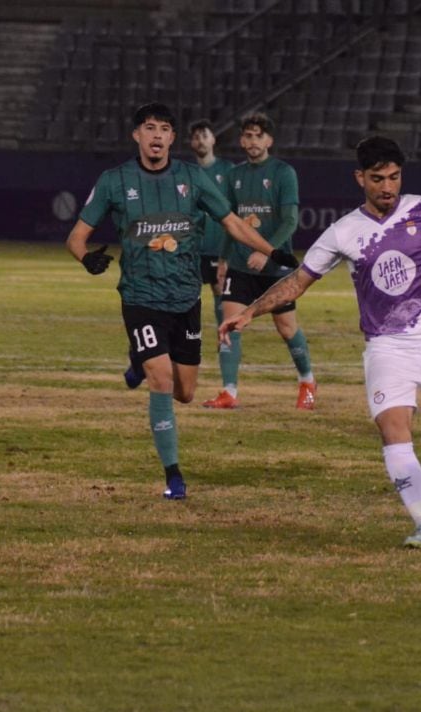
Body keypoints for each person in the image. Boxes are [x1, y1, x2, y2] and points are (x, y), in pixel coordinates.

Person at [219, 136, 421, 549]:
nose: (388, 187)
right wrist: (249, 311)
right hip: (388, 346)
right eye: (378, 178)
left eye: (395, 177)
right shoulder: (344, 231)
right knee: (393, 428)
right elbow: (298, 281)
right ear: (359, 178)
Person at [65, 103, 297, 500]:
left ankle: (138, 361)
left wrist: (273, 253)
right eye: (149, 128)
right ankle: (173, 476)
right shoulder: (114, 181)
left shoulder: (192, 178)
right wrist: (87, 259)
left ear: (173, 138)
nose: (157, 135)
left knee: (185, 392)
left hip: (185, 297)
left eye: (165, 129)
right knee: (162, 378)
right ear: (137, 135)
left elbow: (232, 223)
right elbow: (75, 237)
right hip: (140, 298)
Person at [203, 112, 315, 411]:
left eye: (258, 135)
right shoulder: (234, 176)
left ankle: (307, 381)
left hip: (275, 268)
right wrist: (224, 259)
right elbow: (231, 222)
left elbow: (290, 221)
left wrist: (266, 251)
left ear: (269, 140)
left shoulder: (283, 173)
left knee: (287, 329)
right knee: (230, 324)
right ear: (242, 139)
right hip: (239, 265)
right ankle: (229, 392)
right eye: (248, 135)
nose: (252, 141)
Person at [187, 119, 235, 332]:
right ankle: (187, 337)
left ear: (213, 139)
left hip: (219, 247)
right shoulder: (185, 172)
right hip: (192, 247)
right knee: (188, 293)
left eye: (204, 136)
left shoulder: (228, 170)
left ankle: (223, 335)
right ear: (191, 143)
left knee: (220, 292)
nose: (201, 141)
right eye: (196, 137)